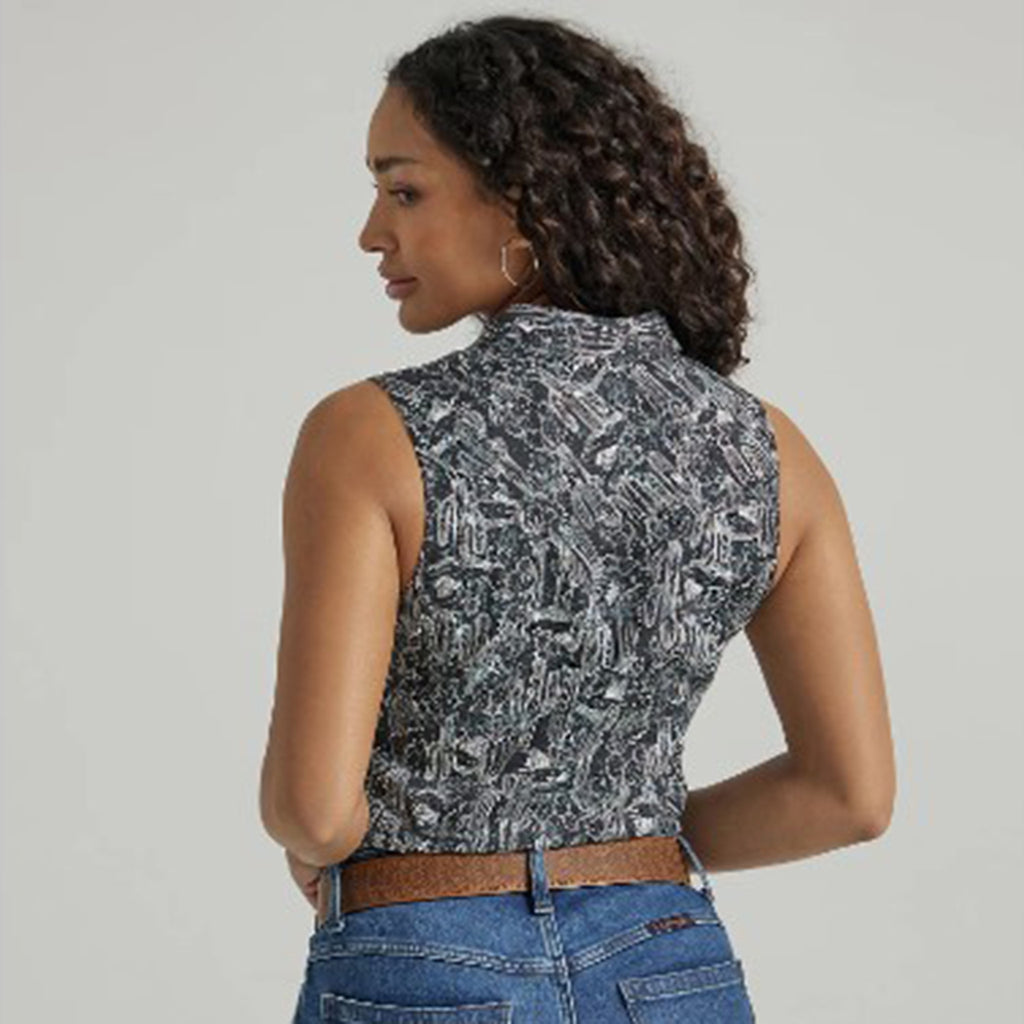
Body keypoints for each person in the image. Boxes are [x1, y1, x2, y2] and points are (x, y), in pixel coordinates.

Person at [260, 15, 896, 1023]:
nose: (372, 232)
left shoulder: (368, 435)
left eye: (403, 189)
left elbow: (313, 806)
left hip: (424, 962)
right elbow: (848, 795)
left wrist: (326, 846)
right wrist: (615, 842)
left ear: (524, 197)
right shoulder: (770, 448)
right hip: (670, 964)